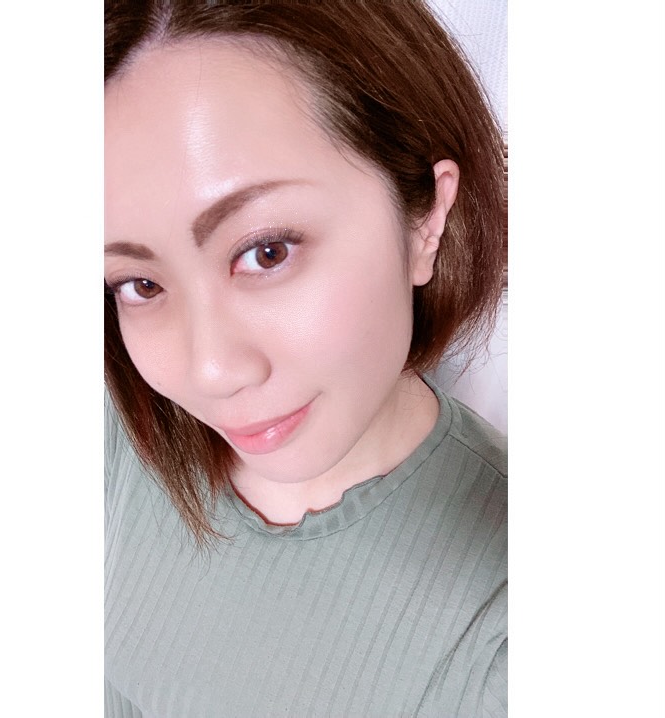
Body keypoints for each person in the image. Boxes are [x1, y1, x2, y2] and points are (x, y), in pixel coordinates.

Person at [104, 1, 507, 716]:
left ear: (425, 216)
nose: (210, 370)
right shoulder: (112, 433)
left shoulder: (502, 616)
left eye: (267, 252)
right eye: (142, 284)